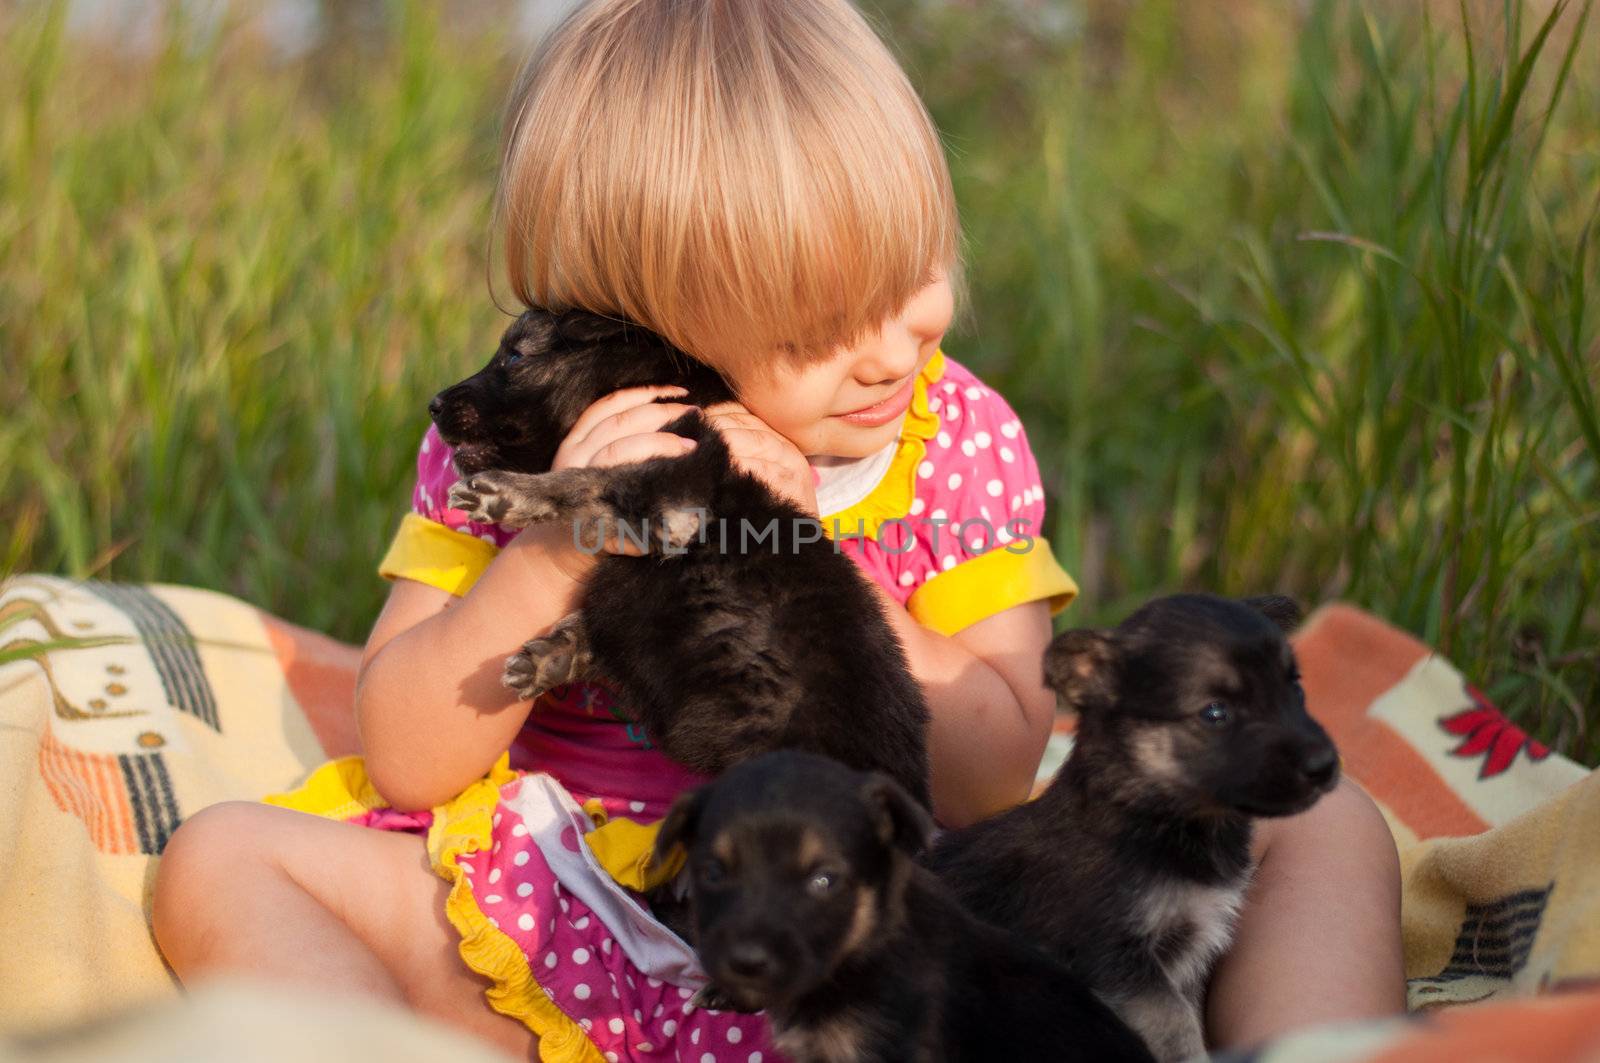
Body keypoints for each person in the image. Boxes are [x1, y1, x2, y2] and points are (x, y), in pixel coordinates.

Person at [153, 1, 1404, 1058]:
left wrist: (817, 557)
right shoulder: (538, 445)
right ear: (649, 321)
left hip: (889, 924)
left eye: (912, 271)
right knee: (222, 860)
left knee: (1318, 827)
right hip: (582, 904)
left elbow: (989, 773)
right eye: (816, 329)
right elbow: (410, 756)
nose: (890, 349)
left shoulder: (948, 438)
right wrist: (559, 551)